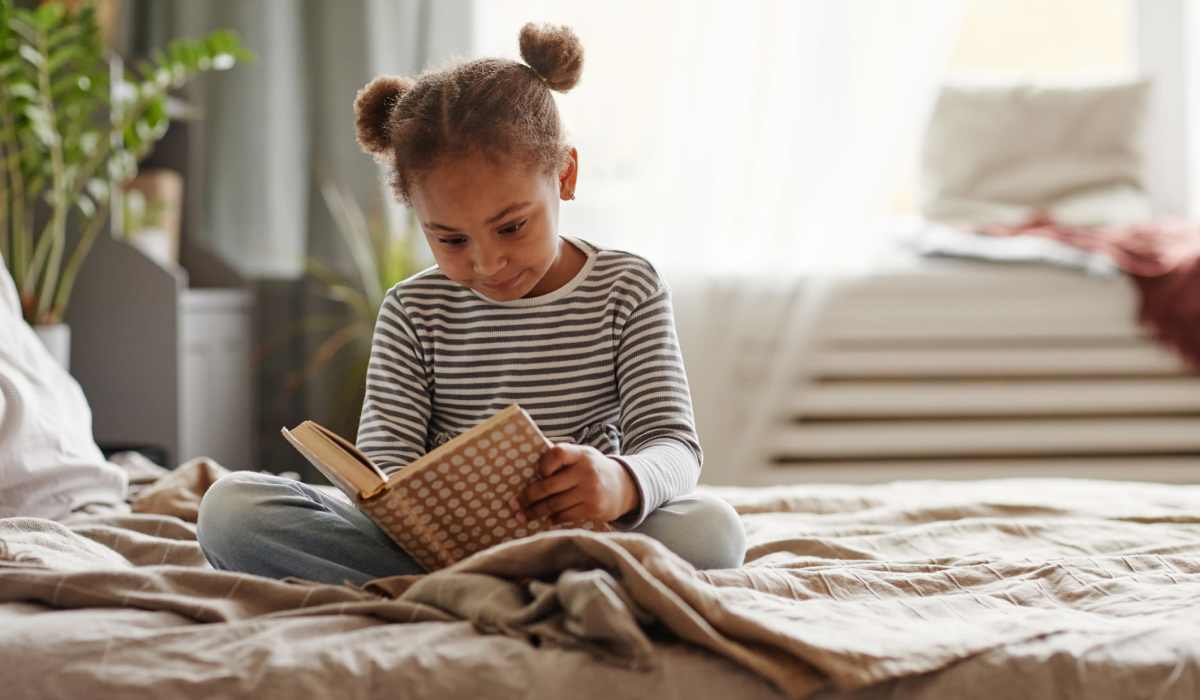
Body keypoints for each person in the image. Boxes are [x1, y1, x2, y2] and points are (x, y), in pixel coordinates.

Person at [197, 23, 745, 586]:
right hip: (434, 546)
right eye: (451, 240)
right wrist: (427, 507)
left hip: (584, 531)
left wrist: (619, 482)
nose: (487, 264)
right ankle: (511, 582)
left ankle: (457, 587)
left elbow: (673, 444)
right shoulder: (412, 311)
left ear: (566, 175)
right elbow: (385, 466)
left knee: (710, 531)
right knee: (230, 509)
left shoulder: (627, 288)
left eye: (511, 227)